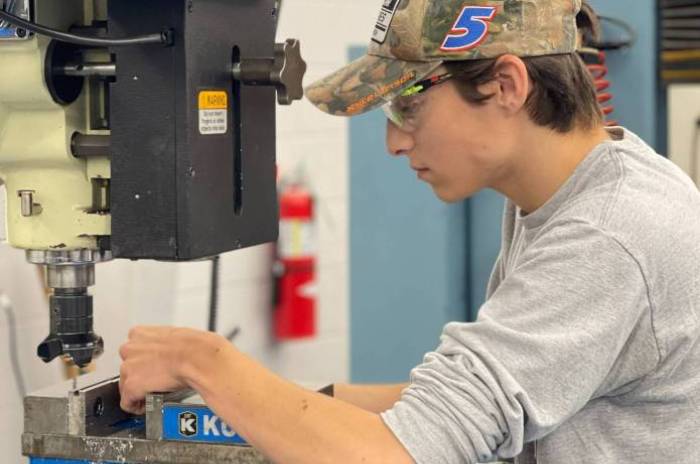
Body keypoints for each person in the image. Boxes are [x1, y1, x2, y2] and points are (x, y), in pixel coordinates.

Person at [118, 0, 700, 462]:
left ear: (505, 85)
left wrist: (207, 361)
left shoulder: (605, 238)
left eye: (405, 108)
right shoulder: (584, 190)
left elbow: (397, 455)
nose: (395, 143)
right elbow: (451, 412)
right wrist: (265, 405)